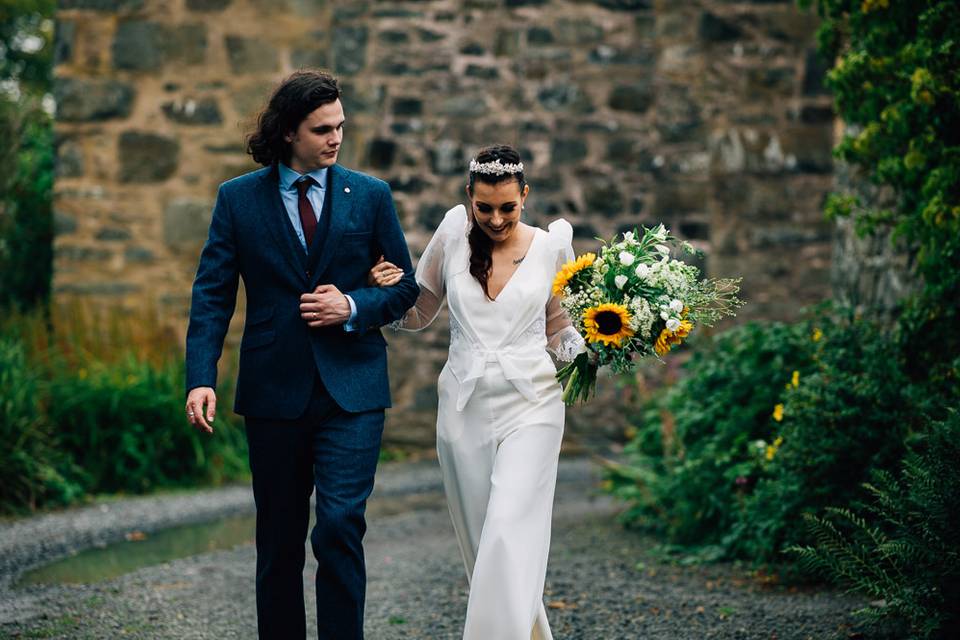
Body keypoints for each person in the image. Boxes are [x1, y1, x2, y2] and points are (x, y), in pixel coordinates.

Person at [183, 69, 419, 640]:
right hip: (273, 390)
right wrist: (201, 376)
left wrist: (354, 304)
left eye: (340, 126)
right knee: (280, 540)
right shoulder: (237, 199)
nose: (336, 138)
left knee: (339, 524)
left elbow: (405, 287)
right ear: (289, 131)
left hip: (354, 389)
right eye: (322, 130)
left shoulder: (370, 194)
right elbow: (213, 294)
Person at [370, 144, 584, 640]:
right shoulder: (452, 237)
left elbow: (560, 330)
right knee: (484, 545)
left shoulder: (552, 246)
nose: (495, 219)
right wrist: (384, 290)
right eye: (483, 207)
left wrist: (605, 344)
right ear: (469, 197)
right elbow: (418, 312)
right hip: (462, 409)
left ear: (525, 196)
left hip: (532, 403)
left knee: (509, 530)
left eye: (507, 207)